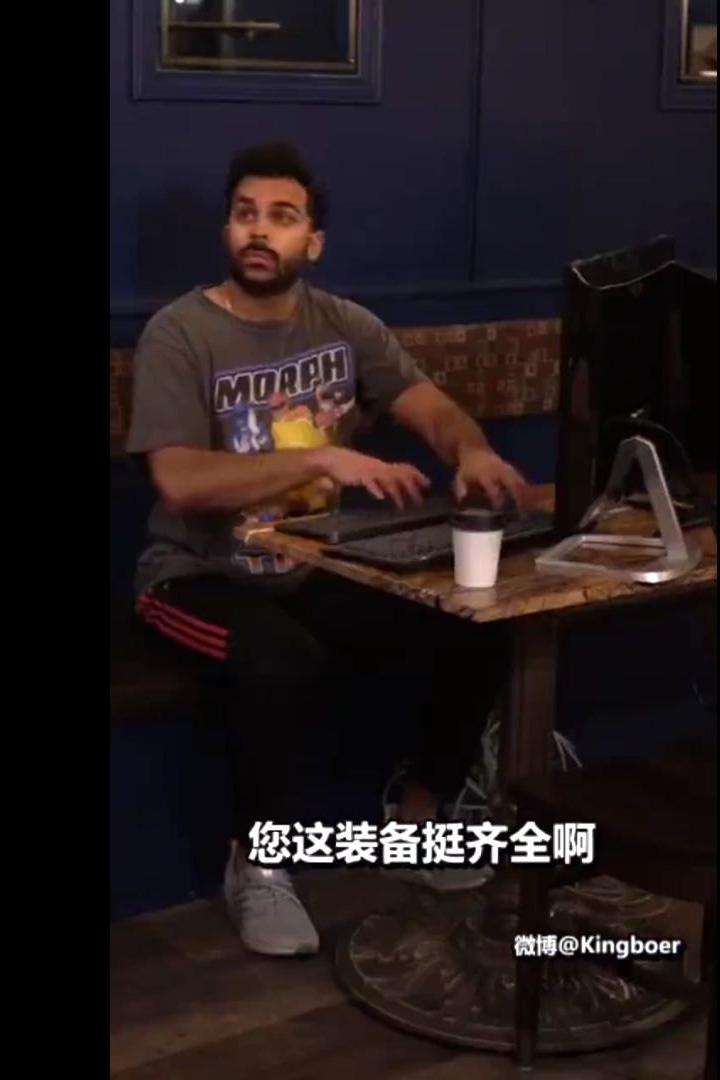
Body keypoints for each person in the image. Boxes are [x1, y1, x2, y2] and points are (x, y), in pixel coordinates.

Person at [126, 141, 530, 956]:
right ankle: (257, 866)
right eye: (245, 214)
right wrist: (320, 460)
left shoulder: (345, 325)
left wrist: (473, 452)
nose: (259, 231)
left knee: (473, 622)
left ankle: (417, 823)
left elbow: (431, 408)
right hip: (194, 576)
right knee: (282, 661)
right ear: (227, 230)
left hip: (316, 564)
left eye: (282, 217)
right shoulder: (179, 333)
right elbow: (179, 480)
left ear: (312, 241)